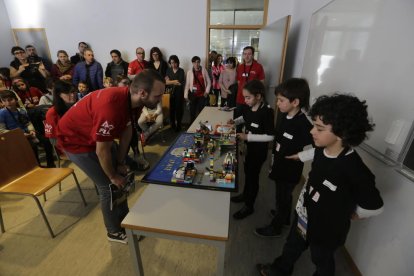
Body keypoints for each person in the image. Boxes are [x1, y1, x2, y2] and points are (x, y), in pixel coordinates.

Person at [256, 94, 384, 276]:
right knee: (292, 246)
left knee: (321, 260)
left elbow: (375, 205)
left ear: (343, 133)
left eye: (319, 128)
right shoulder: (321, 149)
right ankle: (280, 270)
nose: (311, 132)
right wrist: (299, 156)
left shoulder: (354, 169)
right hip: (304, 214)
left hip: (327, 229)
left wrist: (355, 213)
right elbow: (314, 156)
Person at [57, 69, 165, 244]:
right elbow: (102, 150)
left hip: (93, 138)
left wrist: (121, 162)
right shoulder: (111, 107)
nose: (160, 99)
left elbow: (127, 130)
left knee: (121, 178)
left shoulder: (133, 101)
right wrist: (113, 175)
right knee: (108, 186)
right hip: (76, 142)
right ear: (142, 93)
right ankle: (113, 231)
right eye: (158, 95)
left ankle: (124, 220)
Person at [254, 78, 313, 238]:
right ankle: (284, 217)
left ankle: (276, 226)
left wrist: (300, 156)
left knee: (283, 197)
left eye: (281, 100)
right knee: (280, 195)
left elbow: (318, 147)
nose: (278, 103)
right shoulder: (284, 115)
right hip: (279, 163)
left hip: (290, 169)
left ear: (295, 102)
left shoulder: (304, 124)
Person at [228, 80, 274, 219]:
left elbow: (270, 136)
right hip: (247, 149)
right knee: (247, 173)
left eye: (248, 97)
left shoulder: (266, 112)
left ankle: (249, 205)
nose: (245, 100)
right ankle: (245, 194)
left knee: (253, 178)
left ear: (258, 96)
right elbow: (245, 118)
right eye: (244, 97)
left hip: (258, 152)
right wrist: (234, 122)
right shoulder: (249, 107)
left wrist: (248, 137)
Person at [235, 46, 265, 129]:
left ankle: (248, 139)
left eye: (249, 54)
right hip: (240, 99)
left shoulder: (258, 67)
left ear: (252, 55)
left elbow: (261, 84)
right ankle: (238, 138)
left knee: (251, 122)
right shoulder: (240, 67)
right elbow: (238, 82)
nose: (246, 56)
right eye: (245, 54)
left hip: (252, 100)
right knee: (238, 122)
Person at [44, 80, 77, 153]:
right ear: (59, 95)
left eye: (73, 92)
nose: (72, 95)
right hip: (69, 146)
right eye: (67, 93)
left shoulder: (77, 106)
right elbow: (53, 140)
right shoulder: (52, 112)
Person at [184, 56, 211, 124]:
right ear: (192, 63)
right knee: (192, 112)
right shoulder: (189, 72)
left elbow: (209, 82)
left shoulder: (204, 70)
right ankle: (192, 128)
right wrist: (186, 96)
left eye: (198, 62)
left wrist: (207, 92)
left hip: (202, 95)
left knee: (201, 112)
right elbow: (187, 84)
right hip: (193, 95)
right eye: (194, 62)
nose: (196, 64)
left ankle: (202, 127)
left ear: (199, 62)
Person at [165, 55, 185, 131]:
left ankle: (179, 125)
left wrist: (170, 81)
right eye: (172, 63)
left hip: (179, 93)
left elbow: (179, 82)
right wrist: (173, 81)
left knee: (179, 110)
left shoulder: (181, 71)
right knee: (171, 110)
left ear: (178, 62)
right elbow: (166, 82)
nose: (173, 64)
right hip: (170, 93)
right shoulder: (168, 70)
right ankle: (172, 124)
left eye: (175, 62)